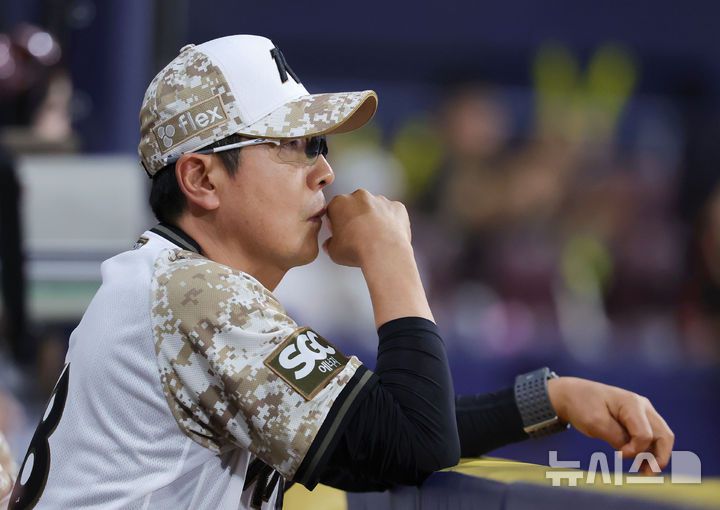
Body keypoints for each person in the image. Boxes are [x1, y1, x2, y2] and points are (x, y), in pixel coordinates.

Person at [8, 35, 674, 510]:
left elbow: (381, 426)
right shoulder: (197, 295)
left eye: (321, 146)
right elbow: (412, 443)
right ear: (202, 178)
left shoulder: (177, 282)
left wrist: (549, 399)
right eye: (294, 147)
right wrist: (390, 257)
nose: (325, 171)